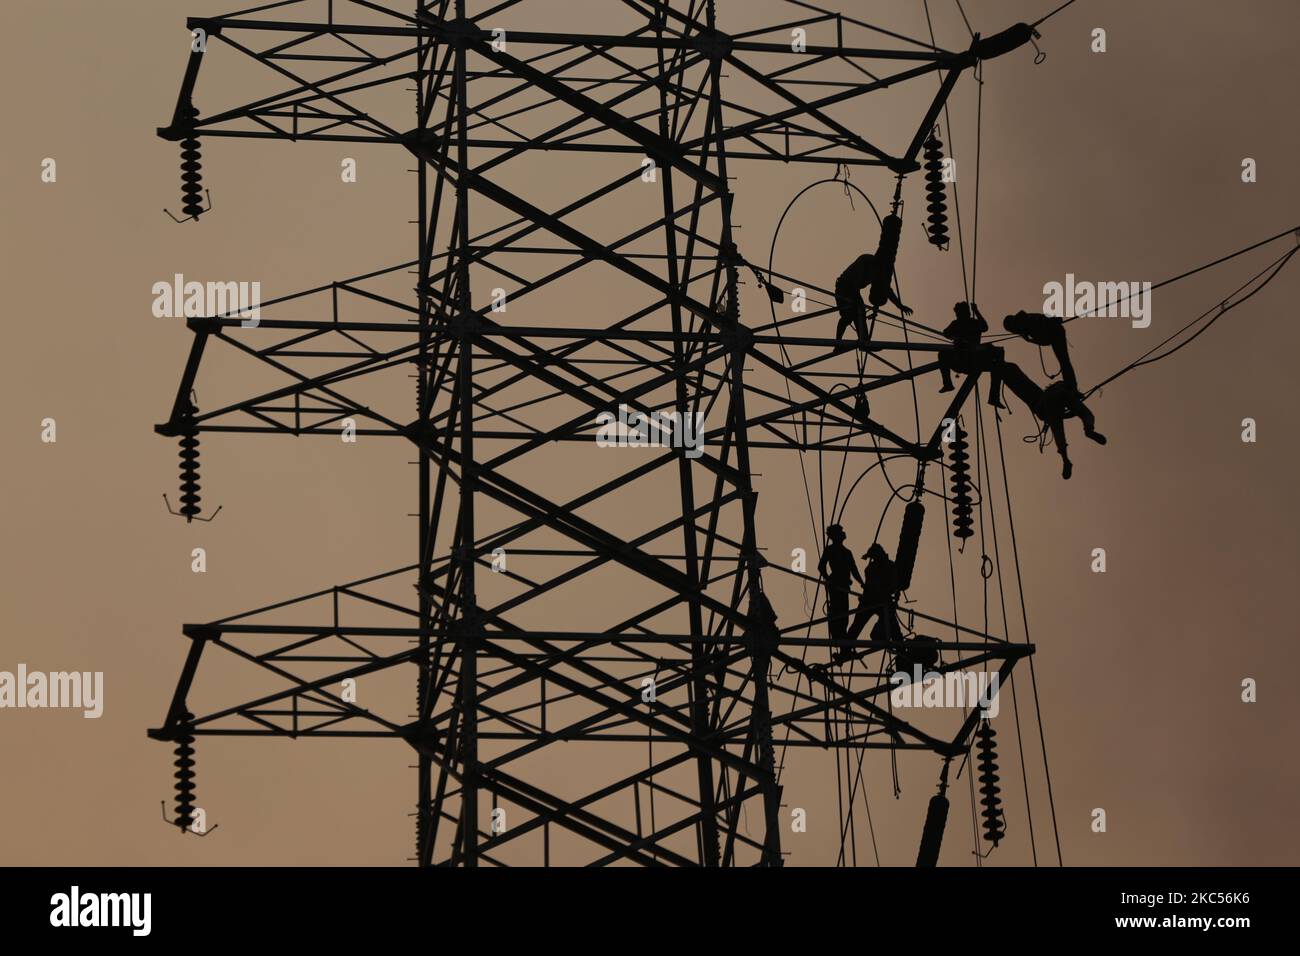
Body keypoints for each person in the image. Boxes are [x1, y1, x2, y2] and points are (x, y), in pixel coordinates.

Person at [998, 362, 1106, 480]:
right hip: (1052, 401)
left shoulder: (1015, 376)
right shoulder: (1014, 374)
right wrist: (1073, 400)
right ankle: (1088, 429)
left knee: (1058, 429)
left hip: (1046, 404)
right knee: (1083, 413)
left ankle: (1066, 459)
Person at [833, 542, 901, 662]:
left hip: (879, 601)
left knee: (891, 624)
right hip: (872, 601)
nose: (872, 559)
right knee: (857, 626)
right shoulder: (874, 568)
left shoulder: (887, 567)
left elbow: (894, 585)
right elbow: (886, 586)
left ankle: (901, 648)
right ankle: (845, 651)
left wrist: (886, 593)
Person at [834, 251, 913, 350]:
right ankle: (838, 343)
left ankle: (864, 341)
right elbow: (856, 282)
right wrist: (856, 303)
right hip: (843, 287)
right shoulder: (865, 260)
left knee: (860, 313)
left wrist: (900, 305)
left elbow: (887, 289)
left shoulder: (879, 272)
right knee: (849, 315)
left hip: (853, 290)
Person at [938, 301, 1004, 407]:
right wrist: (956, 338)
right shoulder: (957, 323)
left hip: (973, 361)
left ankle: (994, 396)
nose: (958, 315)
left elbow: (985, 327)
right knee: (942, 354)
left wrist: (976, 311)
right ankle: (948, 384)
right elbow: (946, 333)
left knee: (997, 353)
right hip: (962, 361)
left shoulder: (971, 323)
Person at [1003, 310, 1077, 391]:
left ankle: (1071, 386)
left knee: (1064, 361)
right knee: (1064, 361)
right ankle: (1071, 385)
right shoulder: (1025, 320)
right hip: (1056, 331)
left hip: (1055, 332)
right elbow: (1045, 339)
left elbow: (1045, 341)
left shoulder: (1026, 324)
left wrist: (1030, 340)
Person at [818, 525, 862, 652]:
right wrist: (828, 579)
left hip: (844, 586)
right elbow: (821, 566)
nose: (844, 533)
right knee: (838, 613)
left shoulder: (847, 552)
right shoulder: (830, 550)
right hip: (836, 586)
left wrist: (862, 583)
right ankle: (840, 640)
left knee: (844, 614)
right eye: (841, 531)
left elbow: (854, 570)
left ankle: (843, 643)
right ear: (836, 535)